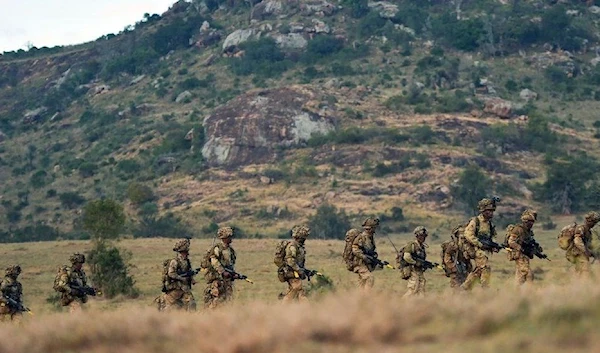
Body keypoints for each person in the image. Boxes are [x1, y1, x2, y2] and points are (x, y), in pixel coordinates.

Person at [461, 198, 498, 290]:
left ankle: (465, 287)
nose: (491, 213)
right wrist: (479, 244)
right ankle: (485, 288)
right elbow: (468, 234)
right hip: (476, 249)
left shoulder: (490, 224)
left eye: (492, 211)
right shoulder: (475, 221)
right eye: (489, 211)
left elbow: (493, 236)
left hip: (484, 249)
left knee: (478, 270)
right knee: (485, 267)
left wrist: (493, 246)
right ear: (483, 211)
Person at [204, 227, 238, 309]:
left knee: (228, 301)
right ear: (224, 238)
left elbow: (230, 264)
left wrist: (233, 274)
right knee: (216, 301)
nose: (231, 239)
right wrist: (223, 272)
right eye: (229, 237)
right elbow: (214, 261)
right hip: (217, 279)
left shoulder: (230, 250)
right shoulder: (217, 248)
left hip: (227, 280)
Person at [506, 210, 540, 285]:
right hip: (519, 254)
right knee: (528, 273)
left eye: (532, 221)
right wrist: (520, 248)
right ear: (525, 221)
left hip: (525, 255)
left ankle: (516, 292)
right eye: (529, 221)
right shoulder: (518, 229)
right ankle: (529, 291)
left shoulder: (529, 232)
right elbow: (511, 242)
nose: (531, 223)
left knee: (520, 276)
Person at [163, 238, 196, 311]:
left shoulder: (187, 261)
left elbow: (188, 271)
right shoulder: (174, 261)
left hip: (184, 288)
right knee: (171, 308)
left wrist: (192, 279)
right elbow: (171, 273)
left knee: (191, 303)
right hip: (175, 288)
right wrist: (181, 278)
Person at [279, 225, 311, 302]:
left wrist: (305, 271)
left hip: (294, 271)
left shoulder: (299, 246)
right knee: (299, 291)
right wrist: (299, 270)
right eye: (303, 237)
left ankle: (283, 309)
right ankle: (307, 309)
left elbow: (298, 262)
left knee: (293, 292)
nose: (305, 239)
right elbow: (290, 261)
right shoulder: (293, 246)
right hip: (291, 272)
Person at [351, 218, 382, 290]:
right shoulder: (362, 237)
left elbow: (370, 250)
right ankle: (366, 297)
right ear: (370, 228)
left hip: (365, 263)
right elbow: (355, 249)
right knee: (370, 278)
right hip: (360, 263)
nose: (375, 230)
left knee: (362, 283)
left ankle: (360, 299)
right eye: (374, 228)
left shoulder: (370, 237)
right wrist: (364, 257)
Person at [567, 211, 600, 277]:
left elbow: (588, 244)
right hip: (578, 253)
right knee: (584, 271)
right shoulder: (581, 228)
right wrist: (585, 251)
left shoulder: (589, 232)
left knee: (583, 271)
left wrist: (594, 253)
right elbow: (577, 241)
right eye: (594, 222)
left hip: (582, 254)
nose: (595, 224)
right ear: (589, 221)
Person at [401, 227, 430, 297]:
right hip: (413, 269)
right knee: (413, 288)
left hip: (419, 270)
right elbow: (406, 256)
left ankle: (419, 305)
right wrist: (415, 262)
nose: (423, 238)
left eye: (424, 236)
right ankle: (401, 303)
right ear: (417, 236)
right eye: (421, 236)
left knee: (421, 287)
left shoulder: (422, 246)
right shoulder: (412, 245)